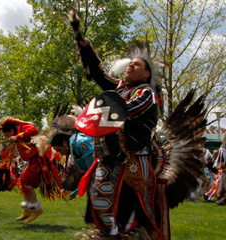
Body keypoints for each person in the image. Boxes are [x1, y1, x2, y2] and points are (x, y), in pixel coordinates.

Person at [68, 10, 170, 239]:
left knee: (126, 213)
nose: (130, 67)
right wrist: (80, 37)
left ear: (146, 74)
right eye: (129, 64)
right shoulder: (120, 90)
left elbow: (125, 111)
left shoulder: (146, 93)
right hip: (107, 158)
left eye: (136, 65)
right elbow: (97, 73)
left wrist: (99, 115)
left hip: (133, 163)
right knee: (101, 205)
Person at [0, 117, 64, 223]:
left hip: (39, 159)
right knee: (23, 181)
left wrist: (17, 136)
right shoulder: (18, 132)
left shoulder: (23, 127)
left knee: (26, 182)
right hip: (33, 160)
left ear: (12, 131)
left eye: (8, 135)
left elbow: (33, 130)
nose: (8, 137)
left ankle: (36, 209)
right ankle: (28, 209)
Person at [50, 128, 94, 199]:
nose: (61, 153)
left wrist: (82, 186)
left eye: (59, 150)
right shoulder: (73, 146)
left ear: (64, 143)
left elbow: (94, 166)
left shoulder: (80, 142)